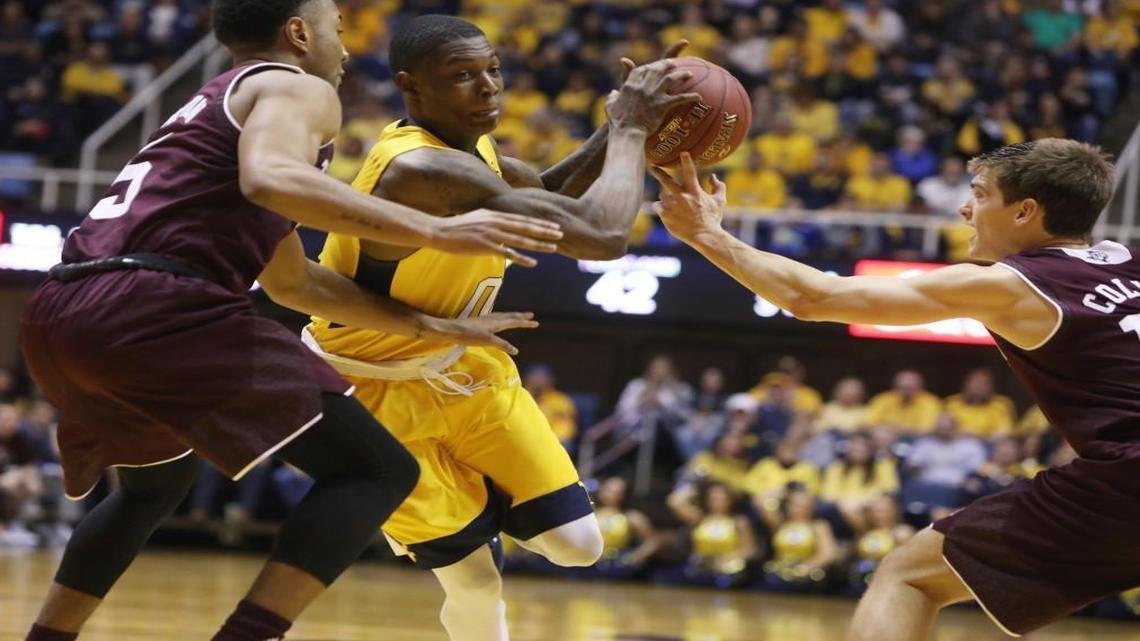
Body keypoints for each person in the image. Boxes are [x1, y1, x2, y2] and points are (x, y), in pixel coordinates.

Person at [17, 2, 568, 640]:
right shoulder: (294, 85)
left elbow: (292, 281)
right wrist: (436, 228)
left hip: (64, 307)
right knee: (378, 471)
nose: (345, 44)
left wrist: (430, 327)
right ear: (299, 32)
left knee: (151, 490)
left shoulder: (218, 102)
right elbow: (271, 178)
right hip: (160, 304)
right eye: (335, 24)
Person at [302, 15, 701, 641]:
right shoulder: (418, 171)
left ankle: (479, 515)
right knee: (475, 582)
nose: (488, 88)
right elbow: (598, 236)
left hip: (462, 368)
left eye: (493, 71)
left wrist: (617, 125)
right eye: (463, 76)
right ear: (412, 87)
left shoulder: (473, 155)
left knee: (578, 544)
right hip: (373, 394)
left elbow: (545, 195)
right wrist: (629, 132)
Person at [652, 138, 1133, 639]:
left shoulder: (1013, 284)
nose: (966, 209)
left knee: (910, 576)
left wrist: (706, 233)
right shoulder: (1131, 264)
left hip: (1127, 477)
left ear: (1025, 212)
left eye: (981, 194)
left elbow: (812, 296)